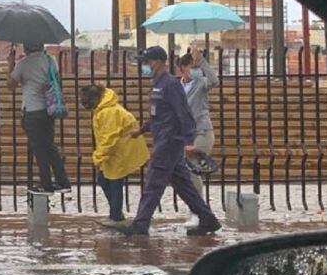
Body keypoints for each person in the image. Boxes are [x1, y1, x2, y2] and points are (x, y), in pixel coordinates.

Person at [117, 46, 221, 236]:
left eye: (147, 62)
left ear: (157, 62)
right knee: (184, 185)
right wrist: (141, 130)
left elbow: (184, 114)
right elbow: (160, 114)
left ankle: (141, 224)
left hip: (169, 142)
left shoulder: (170, 84)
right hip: (163, 139)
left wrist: (189, 141)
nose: (144, 66)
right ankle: (208, 220)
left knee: (153, 183)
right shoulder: (158, 84)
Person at [79, 84, 150, 227]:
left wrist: (98, 157)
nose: (83, 102)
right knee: (106, 181)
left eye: (85, 99)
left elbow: (109, 138)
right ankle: (116, 214)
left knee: (114, 183)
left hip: (121, 151)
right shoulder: (104, 109)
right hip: (116, 151)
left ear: (95, 98)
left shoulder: (109, 112)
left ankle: (116, 217)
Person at [8, 43, 70, 193]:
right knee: (50, 146)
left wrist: (11, 64)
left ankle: (46, 184)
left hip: (32, 111)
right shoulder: (51, 60)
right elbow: (56, 80)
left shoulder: (23, 64)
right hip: (48, 110)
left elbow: (10, 85)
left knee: (39, 149)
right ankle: (63, 182)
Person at [177, 51, 219, 227]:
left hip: (201, 132)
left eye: (196, 68)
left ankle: (197, 212)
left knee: (193, 170)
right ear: (181, 69)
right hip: (183, 135)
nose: (194, 71)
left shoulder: (201, 83)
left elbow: (214, 81)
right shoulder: (176, 86)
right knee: (186, 174)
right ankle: (198, 210)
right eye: (191, 67)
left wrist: (201, 60)